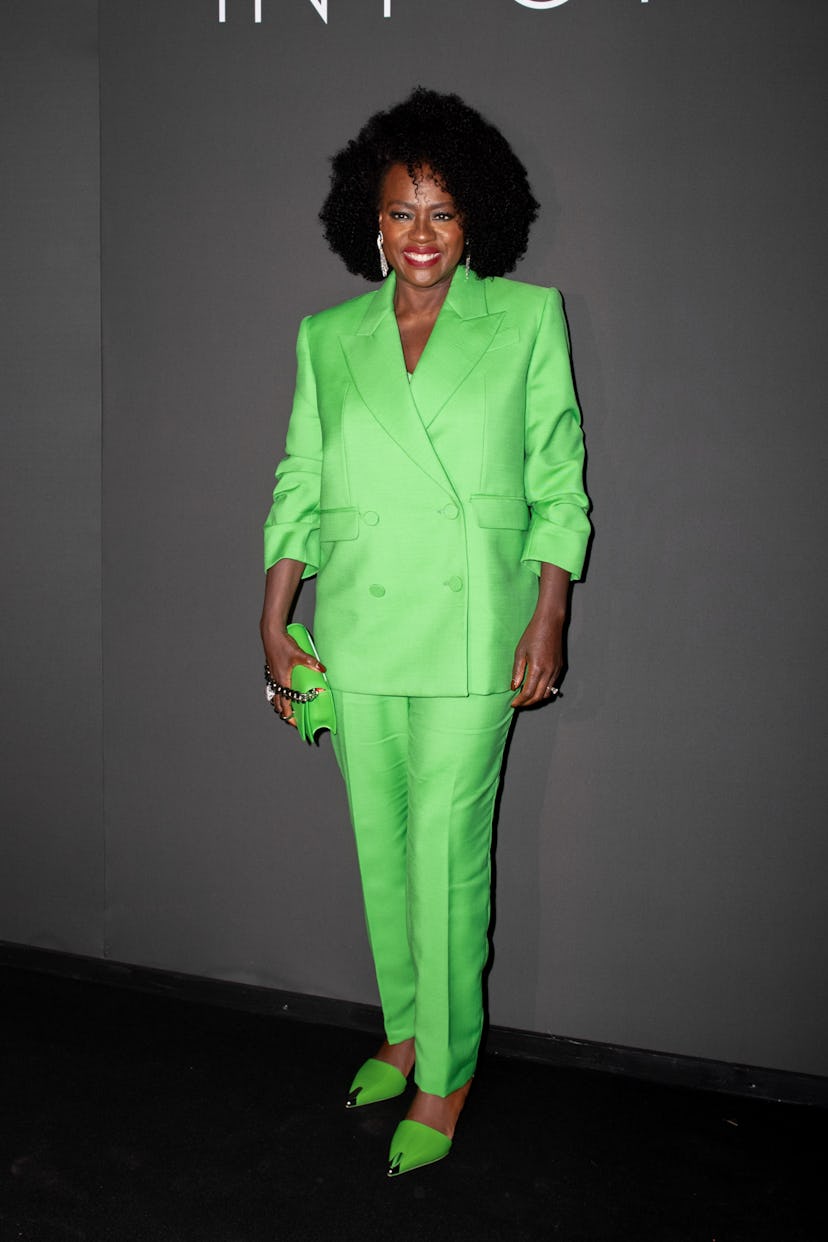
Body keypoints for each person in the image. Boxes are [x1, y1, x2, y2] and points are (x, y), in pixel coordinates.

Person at [260, 87, 590, 1177]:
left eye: (443, 213)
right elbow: (299, 483)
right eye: (402, 212)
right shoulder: (328, 337)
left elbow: (559, 482)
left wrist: (549, 610)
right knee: (381, 850)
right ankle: (404, 1029)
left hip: (470, 632)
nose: (421, 235)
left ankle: (446, 1072)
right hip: (354, 627)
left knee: (449, 859)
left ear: (477, 218)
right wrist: (275, 619)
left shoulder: (528, 318)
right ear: (371, 217)